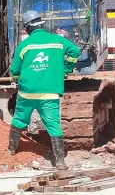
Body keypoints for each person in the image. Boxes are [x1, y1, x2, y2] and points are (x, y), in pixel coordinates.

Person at [8, 10, 81, 170]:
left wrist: (16, 79)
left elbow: (14, 70)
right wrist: (66, 69)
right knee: (54, 125)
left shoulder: (24, 45)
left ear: (27, 29)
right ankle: (60, 162)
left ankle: (11, 151)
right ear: (42, 24)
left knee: (19, 119)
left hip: (27, 93)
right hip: (50, 93)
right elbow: (75, 52)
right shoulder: (57, 41)